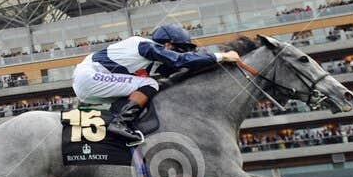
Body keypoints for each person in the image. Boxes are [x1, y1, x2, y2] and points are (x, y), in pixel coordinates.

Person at [70, 24, 239, 144]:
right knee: (150, 84)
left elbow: (180, 68)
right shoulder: (146, 46)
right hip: (90, 77)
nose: (182, 52)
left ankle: (116, 125)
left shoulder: (151, 59)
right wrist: (221, 56)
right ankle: (119, 123)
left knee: (145, 88)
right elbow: (180, 61)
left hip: (89, 86)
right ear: (167, 44)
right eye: (180, 48)